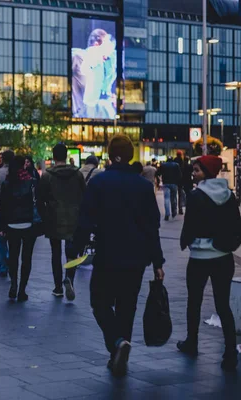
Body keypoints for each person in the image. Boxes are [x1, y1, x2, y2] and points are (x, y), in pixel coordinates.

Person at [70, 134, 165, 377]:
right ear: (131, 154)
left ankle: (116, 343)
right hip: (136, 257)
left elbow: (85, 219)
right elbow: (152, 226)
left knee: (99, 302)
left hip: (107, 254)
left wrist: (76, 249)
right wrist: (158, 261)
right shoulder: (144, 187)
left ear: (111, 156)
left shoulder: (100, 183)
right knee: (127, 306)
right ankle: (120, 353)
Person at [177, 155, 240, 371]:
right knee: (223, 305)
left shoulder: (195, 196)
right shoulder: (229, 196)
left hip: (199, 257)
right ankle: (230, 351)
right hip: (222, 257)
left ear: (207, 171)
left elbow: (190, 225)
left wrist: (186, 241)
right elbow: (235, 225)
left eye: (197, 170)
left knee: (193, 302)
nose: (193, 173)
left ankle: (191, 342)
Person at [39, 143, 86, 300]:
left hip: (54, 218)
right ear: (66, 156)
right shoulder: (77, 174)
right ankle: (69, 279)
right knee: (71, 253)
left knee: (55, 253)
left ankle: (58, 287)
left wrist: (44, 217)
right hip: (74, 217)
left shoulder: (47, 175)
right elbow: (85, 196)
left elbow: (40, 199)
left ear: (53, 156)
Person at [0, 155, 42, 302]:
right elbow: (39, 204)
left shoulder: (7, 183)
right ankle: (22, 290)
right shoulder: (32, 182)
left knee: (13, 256)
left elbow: (3, 207)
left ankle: (13, 285)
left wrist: (2, 226)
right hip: (29, 225)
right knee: (26, 258)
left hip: (12, 225)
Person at [158, 157, 182, 221]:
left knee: (166, 198)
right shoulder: (176, 165)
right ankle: (174, 211)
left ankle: (167, 214)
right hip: (174, 183)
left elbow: (158, 173)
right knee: (173, 198)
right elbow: (179, 175)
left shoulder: (163, 165)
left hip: (166, 183)